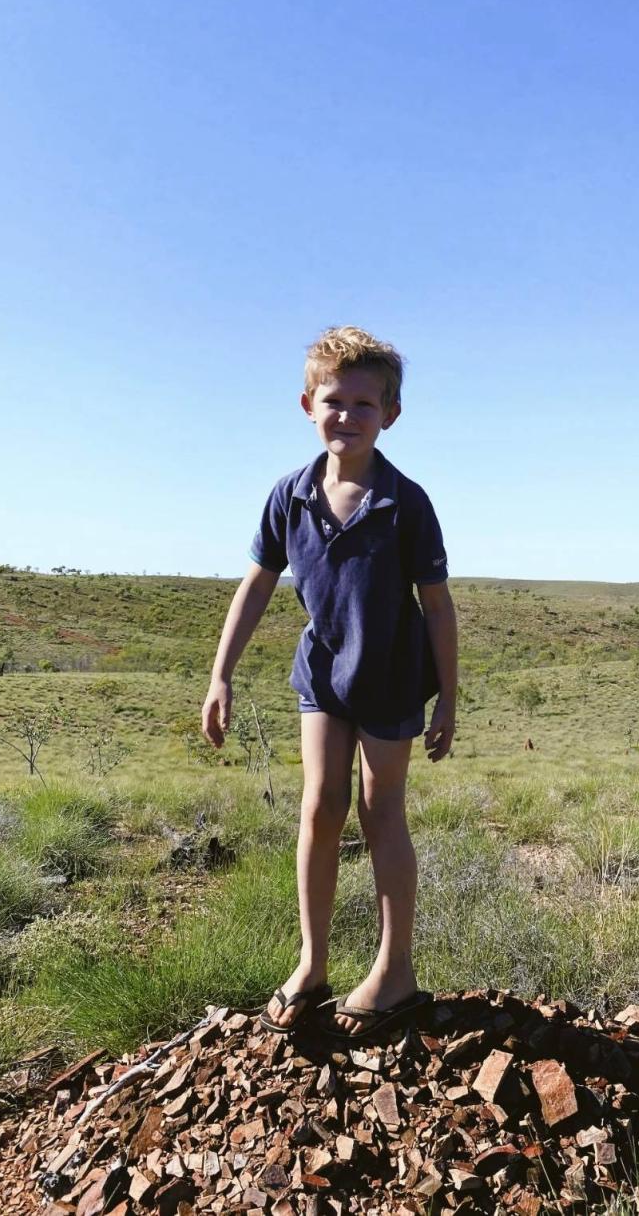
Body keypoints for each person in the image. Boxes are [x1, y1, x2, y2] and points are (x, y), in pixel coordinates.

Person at [201, 326, 457, 1041]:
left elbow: (438, 606)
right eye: (334, 401)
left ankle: (393, 970)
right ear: (308, 404)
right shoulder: (289, 495)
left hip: (392, 680)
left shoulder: (406, 503)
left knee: (382, 815)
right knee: (319, 807)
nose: (347, 415)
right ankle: (312, 966)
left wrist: (450, 699)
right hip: (323, 675)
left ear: (391, 415)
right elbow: (255, 586)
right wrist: (221, 675)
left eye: (364, 404)